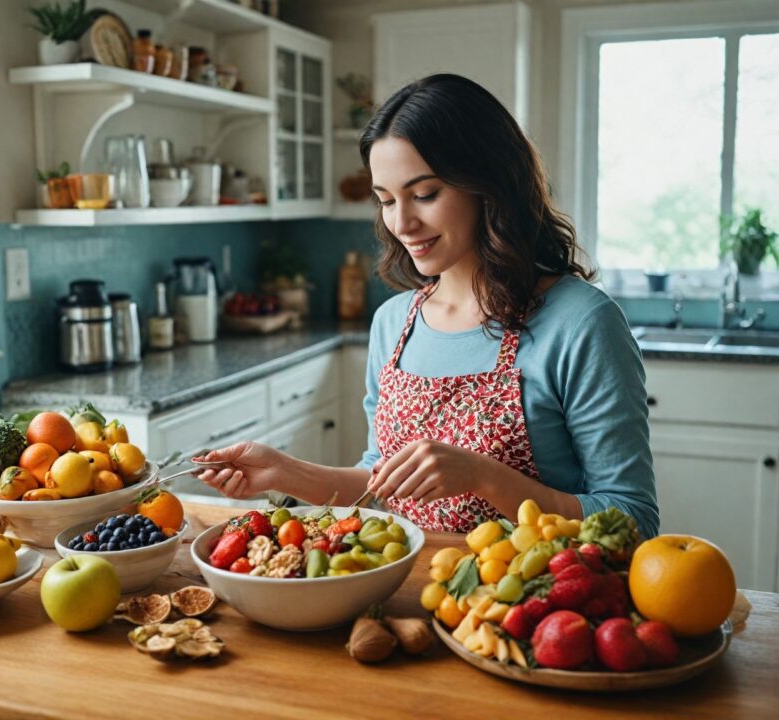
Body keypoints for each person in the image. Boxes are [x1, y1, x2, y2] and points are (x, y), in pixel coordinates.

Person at [197, 73, 658, 538]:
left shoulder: (581, 322)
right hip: (413, 596)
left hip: (531, 605)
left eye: (424, 195)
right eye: (385, 201)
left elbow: (633, 521)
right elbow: (380, 486)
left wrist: (483, 476)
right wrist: (284, 473)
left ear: (488, 182)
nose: (402, 222)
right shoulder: (393, 323)